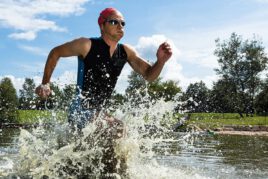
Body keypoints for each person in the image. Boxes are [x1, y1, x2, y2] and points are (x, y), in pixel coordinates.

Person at [35, 7, 172, 130]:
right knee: (116, 128)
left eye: (122, 23)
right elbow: (55, 52)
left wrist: (161, 61)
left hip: (99, 113)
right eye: (114, 22)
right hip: (80, 110)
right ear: (102, 25)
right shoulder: (86, 45)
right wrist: (45, 83)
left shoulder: (125, 51)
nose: (120, 26)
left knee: (119, 132)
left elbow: (149, 75)